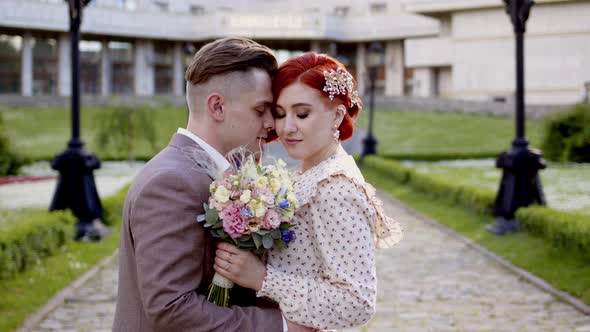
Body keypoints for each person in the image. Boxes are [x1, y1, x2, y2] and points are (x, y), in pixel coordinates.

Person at [113, 37, 310, 332]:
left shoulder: (222, 174)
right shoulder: (170, 182)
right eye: (260, 109)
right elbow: (171, 308)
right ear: (217, 106)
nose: (271, 123)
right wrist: (281, 326)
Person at [213, 52, 403, 331]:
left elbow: (357, 302)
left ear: (337, 115)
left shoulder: (335, 187)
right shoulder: (310, 175)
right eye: (280, 114)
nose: (287, 127)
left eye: (302, 114)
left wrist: (263, 279)